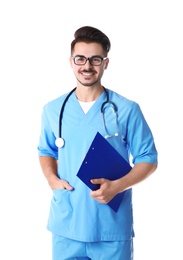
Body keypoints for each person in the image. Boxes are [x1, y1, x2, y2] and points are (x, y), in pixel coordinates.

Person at [37, 25, 158, 260]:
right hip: (67, 225)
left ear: (105, 63)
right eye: (80, 58)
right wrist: (52, 179)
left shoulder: (126, 110)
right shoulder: (53, 110)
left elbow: (148, 158)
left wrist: (118, 186)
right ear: (71, 61)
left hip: (110, 227)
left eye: (95, 59)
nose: (87, 66)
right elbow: (46, 150)